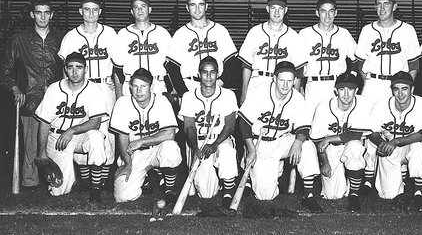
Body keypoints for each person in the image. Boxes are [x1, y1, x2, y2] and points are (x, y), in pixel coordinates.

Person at [354, 0, 421, 192]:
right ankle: (367, 176)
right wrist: (368, 82)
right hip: (373, 83)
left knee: (395, 126)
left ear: (394, 6)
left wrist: (406, 88)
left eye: (386, 4)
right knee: (368, 129)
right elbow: (360, 62)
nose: (382, 8)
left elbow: (414, 64)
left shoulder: (407, 30)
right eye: (378, 4)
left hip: (397, 85)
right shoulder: (367, 30)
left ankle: (398, 171)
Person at [238, 61, 323, 213]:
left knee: (307, 146)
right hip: (259, 143)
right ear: (274, 78)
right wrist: (250, 148)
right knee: (265, 196)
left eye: (290, 81)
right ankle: (253, 171)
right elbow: (244, 123)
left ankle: (308, 196)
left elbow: (303, 127)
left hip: (283, 140)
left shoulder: (297, 98)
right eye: (282, 80)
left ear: (294, 81)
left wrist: (297, 143)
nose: (285, 85)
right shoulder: (259, 92)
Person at [0, 0, 64, 190]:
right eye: (38, 12)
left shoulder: (60, 38)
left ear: (51, 15)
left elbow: (70, 68)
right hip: (30, 100)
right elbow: (6, 69)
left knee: (55, 142)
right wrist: (15, 89)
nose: (42, 16)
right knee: (30, 146)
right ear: (32, 14)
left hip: (56, 100)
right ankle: (30, 182)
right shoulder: (20, 39)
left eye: (46, 12)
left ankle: (55, 180)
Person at [58, 0, 117, 192]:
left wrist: (118, 93)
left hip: (104, 86)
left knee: (106, 133)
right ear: (80, 11)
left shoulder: (110, 33)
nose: (91, 13)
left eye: (94, 9)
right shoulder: (71, 36)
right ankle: (84, 179)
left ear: (100, 12)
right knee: (82, 129)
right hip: (80, 89)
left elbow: (118, 67)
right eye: (86, 9)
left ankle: (105, 179)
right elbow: (64, 68)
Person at [34, 52, 108, 202]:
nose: (74, 72)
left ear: (85, 69)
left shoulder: (94, 89)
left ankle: (95, 189)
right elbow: (44, 122)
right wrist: (42, 153)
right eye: (71, 68)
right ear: (65, 69)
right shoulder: (54, 89)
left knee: (97, 137)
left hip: (80, 135)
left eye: (79, 67)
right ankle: (70, 177)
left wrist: (72, 130)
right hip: (57, 138)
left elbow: (95, 122)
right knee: (58, 191)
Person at [111, 68, 182, 203]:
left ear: (151, 87)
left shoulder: (161, 101)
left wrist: (142, 141)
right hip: (133, 154)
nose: (139, 91)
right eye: (135, 86)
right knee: (121, 197)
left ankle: (169, 189)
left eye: (143, 86)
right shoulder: (122, 103)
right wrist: (127, 164)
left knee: (171, 148)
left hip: (157, 151)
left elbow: (170, 134)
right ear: (130, 87)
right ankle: (144, 179)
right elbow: (122, 138)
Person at [178, 56, 238, 208]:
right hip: (197, 141)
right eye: (205, 72)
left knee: (227, 152)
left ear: (218, 74)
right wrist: (195, 148)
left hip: (220, 139)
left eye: (212, 72)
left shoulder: (228, 95)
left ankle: (228, 193)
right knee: (207, 193)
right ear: (199, 74)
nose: (209, 76)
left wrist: (215, 144)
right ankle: (216, 177)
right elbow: (189, 127)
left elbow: (230, 125)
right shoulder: (188, 96)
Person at [309, 71, 373, 212]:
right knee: (332, 195)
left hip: (352, 144)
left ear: (356, 90)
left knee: (355, 148)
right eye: (342, 89)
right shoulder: (323, 107)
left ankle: (354, 195)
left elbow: (357, 133)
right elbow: (317, 140)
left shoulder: (363, 103)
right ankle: (345, 180)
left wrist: (330, 138)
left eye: (350, 89)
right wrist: (324, 162)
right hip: (331, 149)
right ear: (335, 90)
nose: (346, 94)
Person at [369, 71, 422, 212]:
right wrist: (381, 144)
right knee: (388, 195)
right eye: (396, 89)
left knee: (418, 149)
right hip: (389, 147)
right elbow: (372, 132)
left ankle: (418, 193)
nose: (400, 94)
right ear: (392, 90)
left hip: (409, 144)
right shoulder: (381, 105)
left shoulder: (421, 103)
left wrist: (396, 141)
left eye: (405, 89)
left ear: (412, 89)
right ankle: (401, 184)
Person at [238, 0, 307, 104]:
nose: (276, 12)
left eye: (280, 8)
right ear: (267, 9)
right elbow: (247, 65)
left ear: (285, 10)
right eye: (273, 8)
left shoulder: (294, 36)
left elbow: (298, 71)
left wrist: (294, 97)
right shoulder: (255, 32)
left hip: (282, 87)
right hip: (257, 82)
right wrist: (244, 92)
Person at [166, 0, 237, 96]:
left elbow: (231, 61)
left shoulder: (220, 30)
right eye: (193, 5)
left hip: (216, 86)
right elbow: (172, 67)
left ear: (206, 6)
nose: (197, 9)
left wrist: (221, 82)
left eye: (201, 4)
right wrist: (183, 93)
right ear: (187, 8)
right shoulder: (180, 34)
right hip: (190, 85)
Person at [299, 0, 357, 115]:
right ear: (317, 13)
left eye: (331, 11)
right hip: (313, 86)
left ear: (336, 13)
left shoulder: (344, 34)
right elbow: (298, 65)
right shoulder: (305, 34)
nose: (327, 16)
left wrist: (350, 79)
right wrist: (300, 89)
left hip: (336, 86)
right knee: (312, 123)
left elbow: (356, 60)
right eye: (323, 11)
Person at [114, 0, 172, 97]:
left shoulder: (162, 33)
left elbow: (171, 65)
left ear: (149, 9)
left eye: (143, 6)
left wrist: (171, 90)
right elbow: (117, 69)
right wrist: (118, 94)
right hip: (131, 86)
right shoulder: (123, 34)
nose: (140, 10)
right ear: (132, 12)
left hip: (157, 85)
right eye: (136, 7)